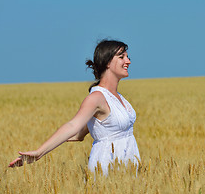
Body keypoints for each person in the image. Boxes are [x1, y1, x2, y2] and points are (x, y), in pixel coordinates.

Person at [8, 39, 141, 175]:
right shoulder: (96, 98)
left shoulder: (117, 96)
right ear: (107, 62)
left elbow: (84, 132)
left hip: (128, 166)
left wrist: (80, 134)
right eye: (121, 57)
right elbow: (73, 126)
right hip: (108, 167)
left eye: (127, 57)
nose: (128, 61)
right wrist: (39, 152)